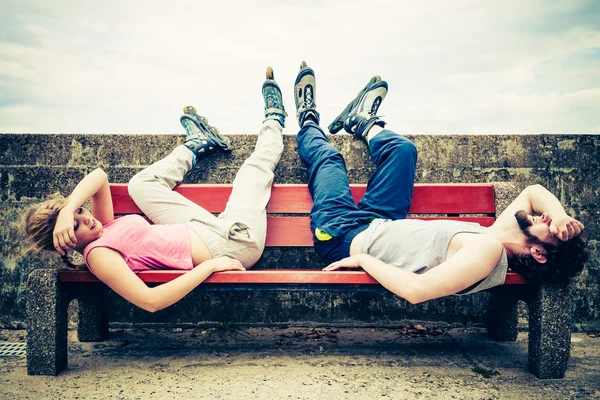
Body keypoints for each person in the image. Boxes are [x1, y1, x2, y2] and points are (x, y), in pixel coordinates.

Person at [293, 61, 589, 303]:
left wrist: (364, 261)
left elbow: (416, 291)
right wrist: (561, 217)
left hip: (343, 236)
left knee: (330, 161)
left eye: (552, 228)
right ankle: (361, 122)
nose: (548, 217)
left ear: (538, 253)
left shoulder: (489, 252)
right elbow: (533, 191)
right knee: (403, 151)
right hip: (381, 221)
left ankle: (307, 120)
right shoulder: (498, 236)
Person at [24, 67, 287, 312]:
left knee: (140, 185)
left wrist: (68, 209)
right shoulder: (99, 255)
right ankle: (274, 120)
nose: (85, 218)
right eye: (76, 225)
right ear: (65, 243)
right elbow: (151, 301)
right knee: (252, 173)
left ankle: (197, 145)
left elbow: (100, 177)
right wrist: (210, 266)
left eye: (81, 212)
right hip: (232, 245)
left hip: (206, 230)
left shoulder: (103, 229)